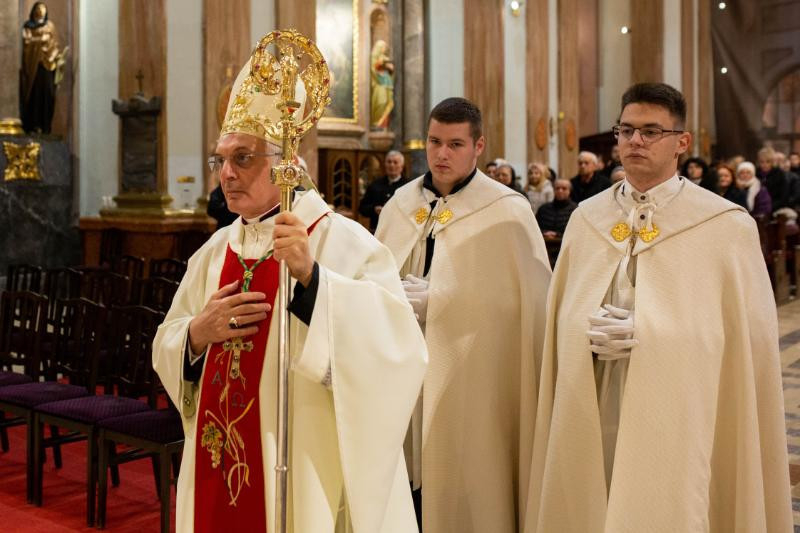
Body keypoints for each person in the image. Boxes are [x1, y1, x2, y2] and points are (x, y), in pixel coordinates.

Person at [153, 49, 427, 533]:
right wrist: (196, 334)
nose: (227, 173)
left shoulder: (343, 242)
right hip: (219, 460)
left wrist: (313, 279)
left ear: (287, 166)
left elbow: (399, 350)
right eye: (221, 159)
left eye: (242, 158)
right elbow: (167, 340)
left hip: (301, 470)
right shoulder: (214, 252)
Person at [526, 82, 791, 533]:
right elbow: (559, 318)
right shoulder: (587, 218)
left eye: (651, 132)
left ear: (681, 142)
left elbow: (740, 343)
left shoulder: (723, 225)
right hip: (596, 394)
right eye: (626, 130)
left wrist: (649, 332)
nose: (635, 141)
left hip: (681, 408)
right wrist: (582, 329)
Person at [375, 97, 551, 533]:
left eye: (455, 144)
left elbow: (526, 308)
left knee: (469, 484)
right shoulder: (401, 204)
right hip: (402, 372)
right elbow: (370, 279)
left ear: (478, 146)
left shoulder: (506, 210)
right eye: (434, 142)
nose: (441, 154)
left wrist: (443, 303)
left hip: (472, 379)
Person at [21, 2, 66, 134]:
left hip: (48, 66)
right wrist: (40, 40)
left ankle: (46, 125)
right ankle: (33, 125)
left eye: (43, 9)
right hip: (33, 66)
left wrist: (57, 57)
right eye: (38, 9)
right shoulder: (28, 26)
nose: (41, 11)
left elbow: (55, 44)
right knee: (34, 94)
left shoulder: (50, 26)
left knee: (48, 93)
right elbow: (26, 42)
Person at [358, 150, 409, 231]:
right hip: (377, 229)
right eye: (389, 162)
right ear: (385, 165)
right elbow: (362, 208)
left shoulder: (408, 186)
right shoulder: (375, 185)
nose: (391, 165)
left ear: (401, 166)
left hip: (399, 230)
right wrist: (374, 209)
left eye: (395, 162)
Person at [757, 146, 789, 212]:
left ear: (772, 162)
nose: (764, 164)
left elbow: (783, 196)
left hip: (775, 207)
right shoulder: (756, 173)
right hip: (758, 208)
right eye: (762, 162)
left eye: (768, 162)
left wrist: (770, 207)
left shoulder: (779, 174)